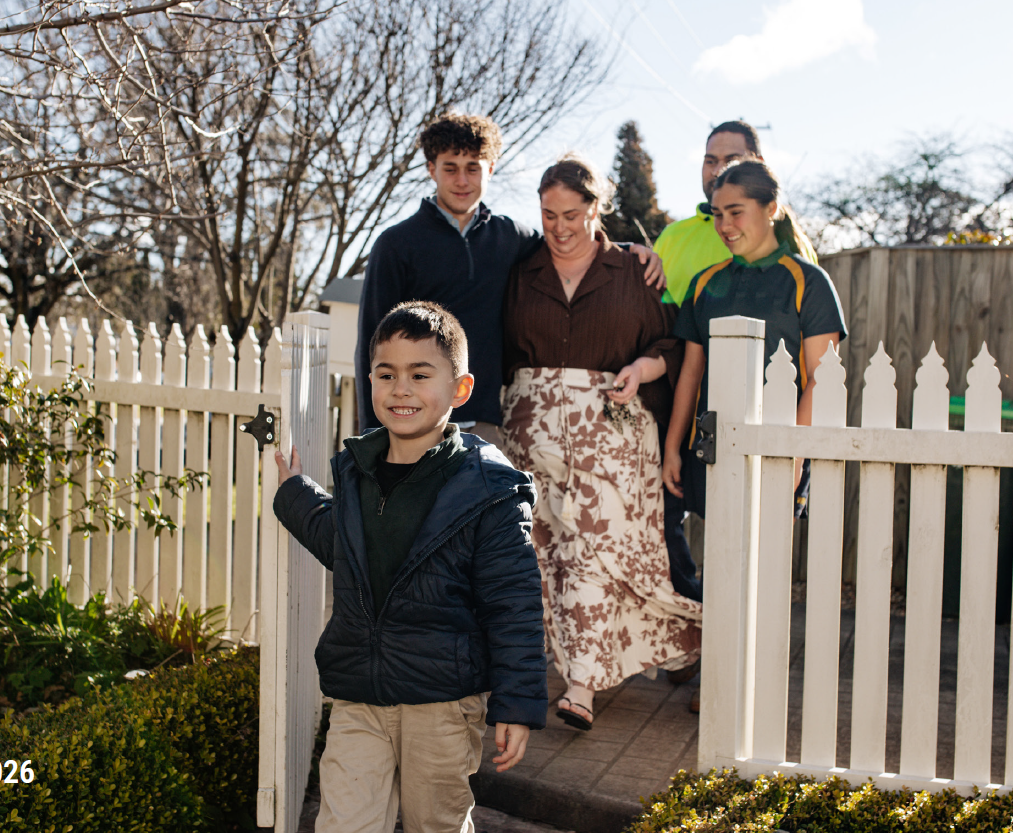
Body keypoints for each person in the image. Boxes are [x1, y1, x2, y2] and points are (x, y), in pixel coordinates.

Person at [274, 301, 547, 833]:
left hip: (441, 705)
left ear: (460, 389)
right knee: (344, 824)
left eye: (420, 375)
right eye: (387, 374)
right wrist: (293, 494)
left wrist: (517, 702)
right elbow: (342, 543)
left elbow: (513, 603)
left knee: (436, 825)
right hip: (360, 697)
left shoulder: (489, 489)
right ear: (369, 378)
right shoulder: (357, 471)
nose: (401, 390)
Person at [501, 154, 702, 732]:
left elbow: (671, 347)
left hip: (610, 438)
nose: (559, 228)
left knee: (595, 555)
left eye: (572, 214)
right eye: (548, 215)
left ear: (596, 209)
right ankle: (558, 669)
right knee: (543, 557)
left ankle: (582, 686)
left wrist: (641, 367)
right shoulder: (521, 270)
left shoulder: (635, 273)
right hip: (531, 437)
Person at [355, 113, 665, 447]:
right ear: (431, 169)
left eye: (473, 167)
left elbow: (565, 241)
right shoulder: (397, 243)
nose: (462, 180)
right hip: (415, 421)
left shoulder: (508, 235)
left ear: (490, 168)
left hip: (486, 423)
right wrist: (374, 436)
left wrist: (625, 249)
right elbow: (372, 342)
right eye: (450, 168)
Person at [663, 160, 848, 525]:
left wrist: (791, 457)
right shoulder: (704, 283)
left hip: (778, 453)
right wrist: (672, 446)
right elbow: (691, 372)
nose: (724, 226)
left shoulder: (808, 282)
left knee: (766, 566)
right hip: (710, 449)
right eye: (717, 214)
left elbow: (821, 381)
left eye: (736, 212)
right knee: (717, 564)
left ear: (771, 209)